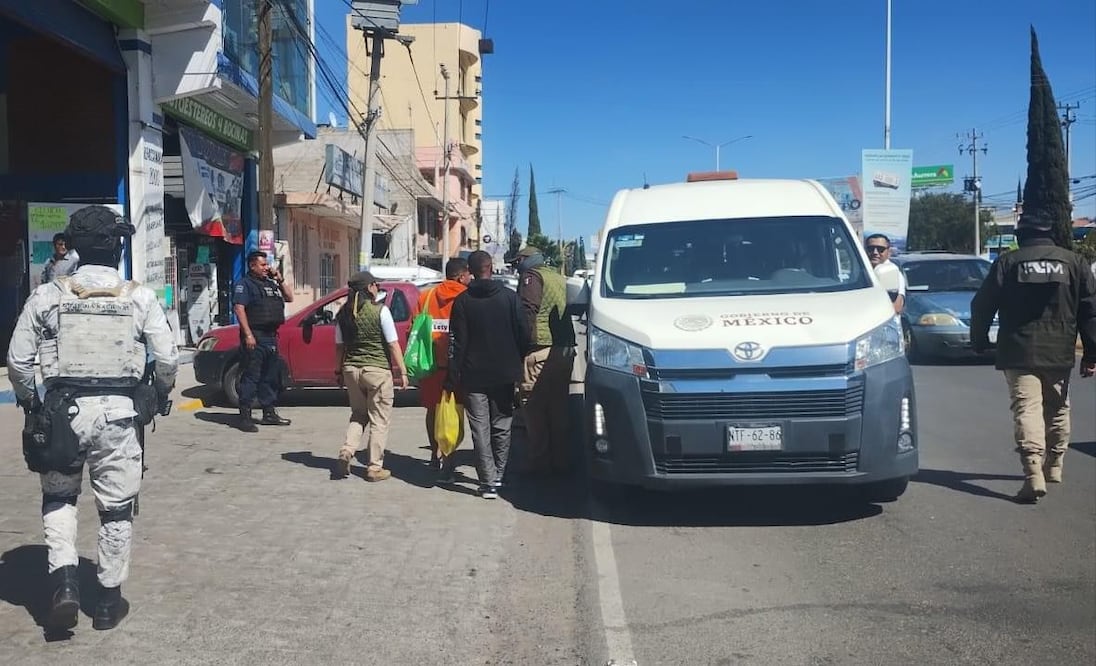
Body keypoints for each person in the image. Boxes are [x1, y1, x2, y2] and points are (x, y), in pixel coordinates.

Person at [6, 205, 178, 631]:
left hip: (63, 415)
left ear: (77, 247)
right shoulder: (138, 296)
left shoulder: (48, 294)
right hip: (121, 419)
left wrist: (31, 404)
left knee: (60, 498)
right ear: (117, 247)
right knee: (116, 510)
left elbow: (18, 361)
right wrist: (160, 393)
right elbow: (168, 358)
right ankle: (106, 602)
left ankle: (64, 582)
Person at [971, 211, 1096, 503]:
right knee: (1058, 409)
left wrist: (978, 341)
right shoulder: (1074, 262)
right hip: (1060, 350)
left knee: (1027, 409)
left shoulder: (1007, 262)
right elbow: (1090, 311)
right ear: (1051, 233)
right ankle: (1054, 466)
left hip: (1019, 349)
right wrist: (1091, 354)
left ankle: (1032, 474)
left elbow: (982, 305)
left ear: (1019, 236)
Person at [448, 251, 527, 499]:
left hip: (473, 374)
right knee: (502, 424)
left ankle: (487, 481)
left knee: (479, 428)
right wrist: (516, 357)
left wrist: (452, 375)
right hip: (505, 371)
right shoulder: (509, 298)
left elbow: (457, 343)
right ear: (490, 268)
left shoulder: (462, 302)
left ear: (470, 272)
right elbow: (524, 333)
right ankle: (499, 475)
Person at [333, 271, 409, 482]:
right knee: (379, 420)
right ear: (369, 288)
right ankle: (374, 467)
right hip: (376, 371)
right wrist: (402, 371)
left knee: (358, 414)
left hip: (351, 370)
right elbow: (393, 344)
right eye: (376, 285)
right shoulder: (381, 311)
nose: (378, 288)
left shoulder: (342, 314)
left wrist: (338, 371)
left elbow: (339, 347)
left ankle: (346, 451)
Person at [512, 246, 577, 476]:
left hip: (539, 348)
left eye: (517, 261)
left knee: (534, 407)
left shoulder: (532, 277)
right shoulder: (558, 276)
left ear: (526, 260)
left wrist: (519, 346)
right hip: (565, 349)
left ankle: (539, 463)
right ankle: (561, 460)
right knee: (558, 407)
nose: (516, 266)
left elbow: (528, 312)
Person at [417, 257, 472, 480]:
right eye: (468, 274)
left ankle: (434, 455)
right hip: (457, 365)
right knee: (454, 412)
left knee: (433, 410)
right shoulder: (466, 297)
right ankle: (449, 462)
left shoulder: (426, 296)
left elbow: (415, 328)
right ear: (461, 276)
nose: (470, 278)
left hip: (430, 364)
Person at [232, 250, 293, 431]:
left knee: (270, 376)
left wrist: (279, 279)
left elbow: (289, 297)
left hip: (271, 336)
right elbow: (239, 308)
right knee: (252, 376)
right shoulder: (245, 284)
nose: (267, 268)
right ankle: (245, 416)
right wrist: (248, 334)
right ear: (252, 265)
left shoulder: (271, 284)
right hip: (255, 336)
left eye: (267, 265)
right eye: (263, 265)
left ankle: (269, 413)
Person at [865, 234, 906, 314]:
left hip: (885, 325)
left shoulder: (892, 271)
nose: (875, 252)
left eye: (880, 249)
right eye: (871, 248)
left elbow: (896, 307)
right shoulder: (862, 271)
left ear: (889, 252)